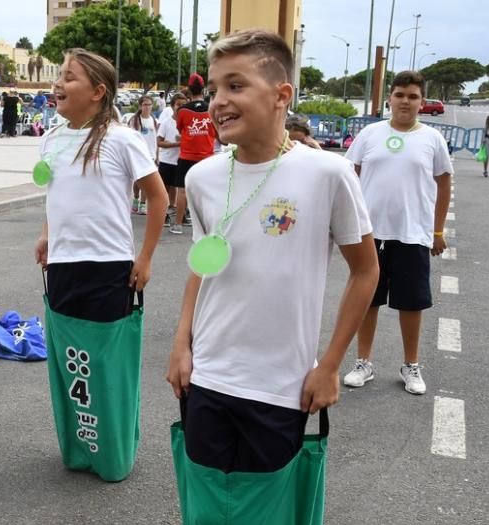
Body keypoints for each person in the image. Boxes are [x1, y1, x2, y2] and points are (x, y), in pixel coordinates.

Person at [168, 28, 377, 471]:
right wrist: (181, 344)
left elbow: (365, 271)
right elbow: (201, 268)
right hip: (207, 378)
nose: (218, 100)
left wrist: (331, 365)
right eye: (215, 87)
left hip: (282, 386)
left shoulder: (328, 174)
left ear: (282, 95)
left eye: (236, 85)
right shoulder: (201, 177)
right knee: (208, 513)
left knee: (264, 520)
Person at [34, 49, 168, 476]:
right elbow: (55, 195)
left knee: (104, 366)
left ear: (97, 91)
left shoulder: (121, 139)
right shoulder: (52, 138)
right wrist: (46, 235)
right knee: (71, 359)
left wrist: (144, 258)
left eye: (69, 77)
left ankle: (108, 452)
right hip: (63, 268)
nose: (58, 84)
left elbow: (159, 197)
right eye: (59, 75)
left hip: (108, 269)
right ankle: (79, 449)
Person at [343, 70, 453, 395]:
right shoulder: (370, 134)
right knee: (368, 300)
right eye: (400, 95)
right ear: (389, 98)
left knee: (411, 303)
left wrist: (437, 229)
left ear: (422, 102)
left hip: (413, 233)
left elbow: (444, 182)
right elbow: (350, 177)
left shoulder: (432, 139)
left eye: (413, 96)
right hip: (369, 234)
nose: (406, 102)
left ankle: (411, 365)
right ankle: (364, 362)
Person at [172, 73, 216, 235]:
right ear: (203, 89)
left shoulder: (182, 111)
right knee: (205, 191)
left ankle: (178, 224)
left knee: (182, 190)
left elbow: (180, 129)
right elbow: (216, 132)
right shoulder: (211, 109)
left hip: (186, 156)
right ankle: (206, 225)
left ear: (189, 90)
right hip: (206, 156)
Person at [157, 92, 186, 227]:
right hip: (167, 161)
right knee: (165, 189)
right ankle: (163, 214)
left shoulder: (187, 123)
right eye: (178, 105)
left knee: (180, 189)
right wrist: (175, 144)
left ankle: (178, 212)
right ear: (172, 106)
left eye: (183, 105)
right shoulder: (167, 123)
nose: (180, 107)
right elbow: (159, 142)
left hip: (182, 160)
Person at [129, 95, 159, 215]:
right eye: (145, 105)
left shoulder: (154, 120)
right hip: (138, 154)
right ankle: (136, 198)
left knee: (147, 180)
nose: (147, 107)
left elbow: (156, 140)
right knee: (138, 181)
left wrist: (157, 155)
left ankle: (142, 204)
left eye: (149, 105)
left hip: (151, 155)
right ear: (140, 106)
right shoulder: (134, 120)